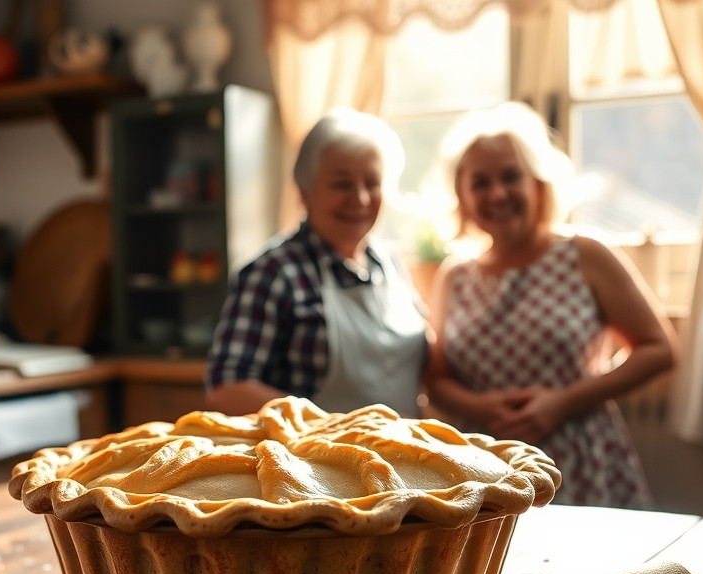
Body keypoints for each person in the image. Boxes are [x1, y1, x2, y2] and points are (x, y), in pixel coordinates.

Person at [425, 102, 677, 507]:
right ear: (462, 196)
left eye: (511, 177)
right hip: (484, 466)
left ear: (538, 184)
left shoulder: (585, 254)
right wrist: (481, 406)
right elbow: (436, 380)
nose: (497, 193)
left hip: (579, 457)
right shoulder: (454, 276)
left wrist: (563, 402)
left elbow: (659, 350)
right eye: (480, 183)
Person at [204, 108, 427, 417]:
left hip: (404, 457)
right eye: (342, 184)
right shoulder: (272, 272)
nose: (360, 198)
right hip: (311, 461)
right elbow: (226, 387)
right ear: (305, 192)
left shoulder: (391, 265)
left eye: (372, 183)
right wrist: (325, 428)